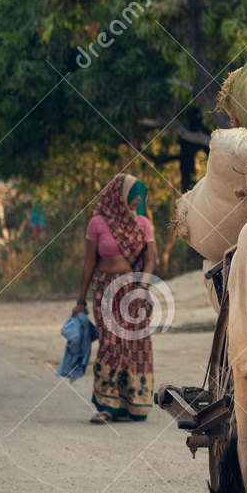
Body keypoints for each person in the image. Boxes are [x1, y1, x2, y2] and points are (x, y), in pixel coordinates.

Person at [73, 174, 156, 423]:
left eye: (140, 193)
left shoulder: (143, 223)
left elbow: (150, 259)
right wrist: (80, 301)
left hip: (132, 290)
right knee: (110, 344)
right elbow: (89, 263)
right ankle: (107, 405)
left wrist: (142, 286)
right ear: (119, 196)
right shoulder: (97, 223)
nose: (139, 198)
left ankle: (131, 405)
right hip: (104, 289)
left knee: (133, 345)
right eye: (133, 193)